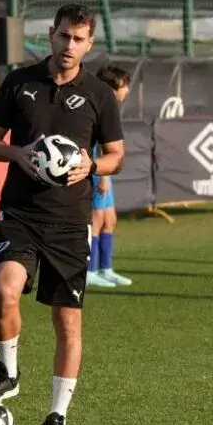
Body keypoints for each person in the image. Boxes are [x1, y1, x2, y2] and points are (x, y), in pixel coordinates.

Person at [0, 3, 125, 425]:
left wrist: (92, 167)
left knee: (68, 323)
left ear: (89, 43)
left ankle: (56, 418)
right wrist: (17, 154)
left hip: (70, 221)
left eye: (79, 39)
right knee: (4, 290)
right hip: (20, 212)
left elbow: (117, 155)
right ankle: (8, 371)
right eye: (63, 36)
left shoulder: (99, 95)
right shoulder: (19, 82)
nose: (69, 45)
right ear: (51, 34)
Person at [86, 64, 133, 288]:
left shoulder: (111, 107)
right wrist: (103, 177)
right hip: (98, 171)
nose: (128, 90)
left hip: (106, 173)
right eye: (125, 85)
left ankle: (106, 268)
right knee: (97, 220)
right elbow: (97, 144)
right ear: (111, 88)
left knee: (110, 220)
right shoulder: (99, 107)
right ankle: (89, 270)